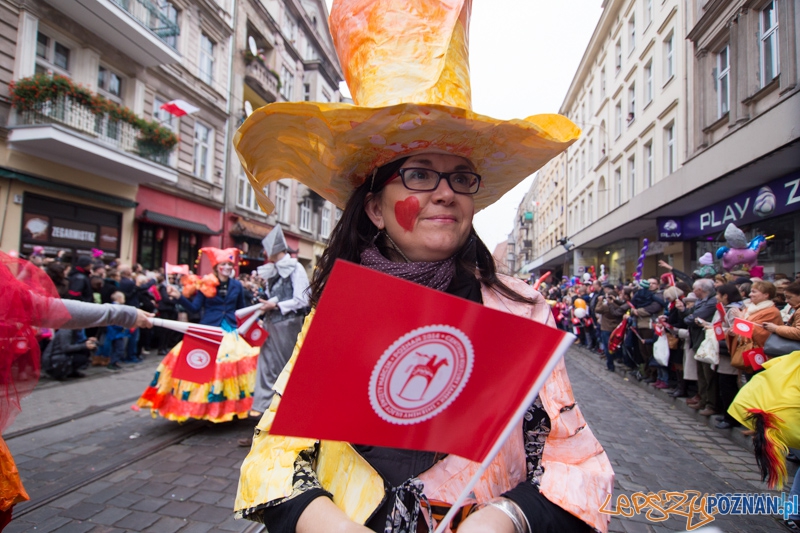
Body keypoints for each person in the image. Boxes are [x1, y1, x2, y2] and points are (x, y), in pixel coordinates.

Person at [233, 1, 613, 531]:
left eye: (461, 178)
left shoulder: (521, 310)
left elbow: (575, 462)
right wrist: (325, 522)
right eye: (418, 175)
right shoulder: (336, 312)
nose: (445, 193)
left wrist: (507, 516)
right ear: (374, 207)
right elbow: (274, 455)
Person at [136, 247, 262, 423]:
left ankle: (230, 408)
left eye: (229, 264)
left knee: (231, 370)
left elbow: (240, 309)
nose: (226, 267)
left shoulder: (237, 285)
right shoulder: (205, 284)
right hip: (209, 329)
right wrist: (179, 297)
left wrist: (255, 317)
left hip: (231, 332)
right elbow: (194, 308)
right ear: (216, 267)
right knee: (202, 368)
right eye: (223, 264)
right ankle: (202, 408)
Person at [250, 225, 310, 416]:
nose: (265, 252)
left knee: (284, 368)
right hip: (270, 323)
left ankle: (285, 414)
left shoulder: (296, 267)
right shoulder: (272, 270)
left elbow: (302, 299)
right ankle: (263, 414)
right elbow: (275, 295)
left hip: (288, 324)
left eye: (267, 249)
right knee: (267, 367)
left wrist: (275, 306)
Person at [708, 283, 744, 429]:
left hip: (730, 353)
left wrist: (719, 331)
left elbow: (736, 331)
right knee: (723, 384)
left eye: (718, 294)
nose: (716, 297)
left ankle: (731, 418)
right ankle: (726, 414)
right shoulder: (725, 309)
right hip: (723, 350)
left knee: (728, 385)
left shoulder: (733, 310)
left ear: (726, 296)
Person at [727, 280, 783, 372]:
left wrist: (742, 319)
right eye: (751, 292)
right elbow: (743, 329)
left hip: (761, 354)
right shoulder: (749, 309)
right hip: (746, 352)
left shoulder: (772, 312)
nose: (750, 295)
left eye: (754, 292)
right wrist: (732, 333)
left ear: (766, 295)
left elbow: (761, 333)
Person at [684, 279, 718, 413]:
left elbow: (693, 318)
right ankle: (703, 400)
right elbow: (688, 317)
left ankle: (709, 403)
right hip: (698, 340)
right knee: (701, 374)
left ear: (701, 289)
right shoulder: (700, 302)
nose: (693, 291)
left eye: (694, 288)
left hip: (706, 341)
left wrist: (691, 318)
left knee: (708, 375)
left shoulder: (711, 302)